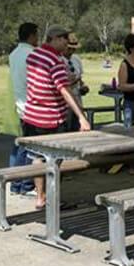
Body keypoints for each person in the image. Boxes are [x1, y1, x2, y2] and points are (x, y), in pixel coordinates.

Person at [23, 25, 91, 209]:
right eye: (64, 40)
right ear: (55, 38)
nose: (66, 44)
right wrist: (81, 117)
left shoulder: (34, 56)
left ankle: (40, 197)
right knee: (56, 159)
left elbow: (45, 81)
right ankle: (52, 197)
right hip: (51, 117)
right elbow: (64, 89)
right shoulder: (55, 60)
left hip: (31, 115)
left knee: (37, 157)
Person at [8, 23, 39, 196]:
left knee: (22, 146)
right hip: (32, 106)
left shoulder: (13, 54)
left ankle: (16, 184)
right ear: (31, 36)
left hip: (20, 104)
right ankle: (26, 185)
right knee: (30, 148)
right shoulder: (32, 54)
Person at [63, 33, 87, 132]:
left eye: (74, 49)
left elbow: (80, 79)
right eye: (69, 49)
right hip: (64, 104)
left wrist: (83, 86)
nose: (71, 51)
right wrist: (72, 82)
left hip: (77, 101)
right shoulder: (58, 60)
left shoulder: (76, 59)